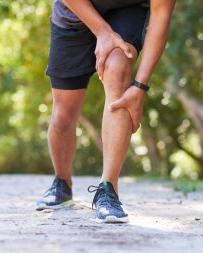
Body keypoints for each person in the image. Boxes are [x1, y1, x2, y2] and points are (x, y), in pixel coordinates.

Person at [36, 0, 176, 223]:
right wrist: (102, 32)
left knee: (118, 71)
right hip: (74, 13)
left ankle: (108, 189)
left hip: (126, 9)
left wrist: (140, 86)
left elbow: (161, 15)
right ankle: (62, 182)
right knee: (63, 115)